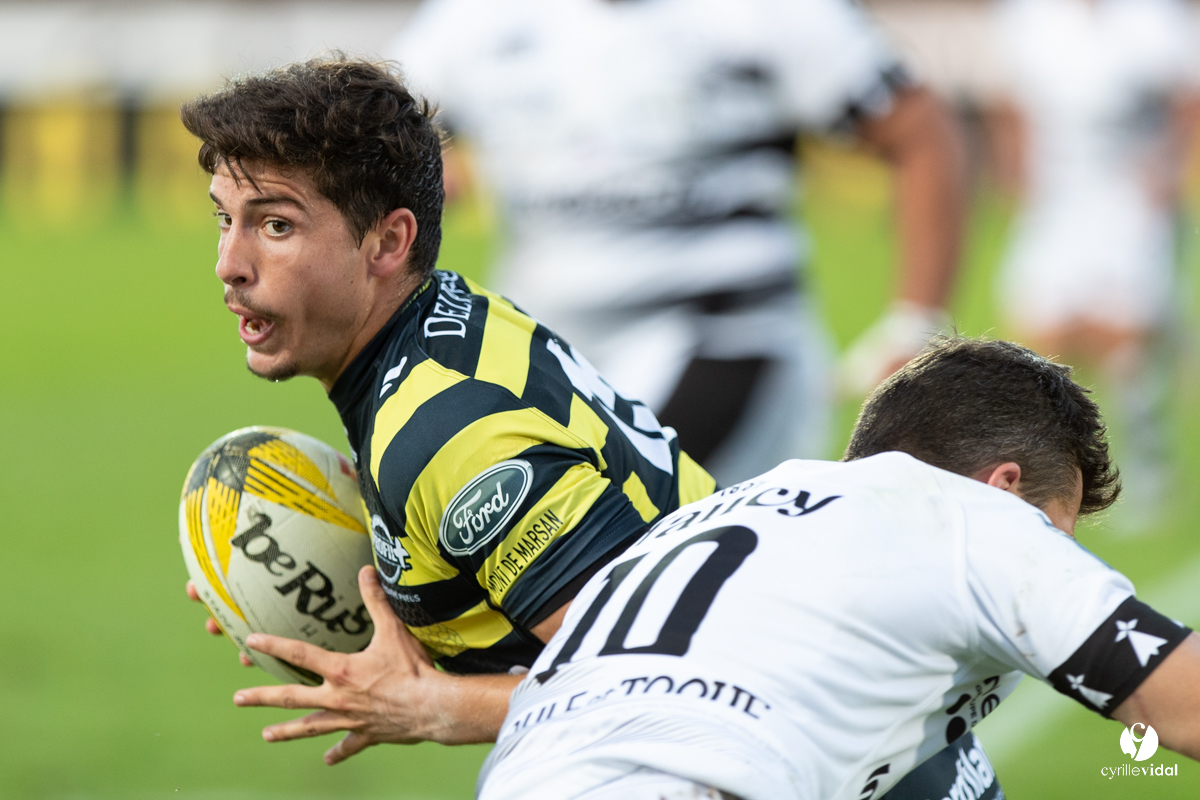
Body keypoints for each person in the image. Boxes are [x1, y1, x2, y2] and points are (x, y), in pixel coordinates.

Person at [179, 57, 716, 761]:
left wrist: (429, 706)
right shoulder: (447, 319)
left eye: (275, 225)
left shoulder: (444, 438)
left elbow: (676, 677)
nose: (229, 262)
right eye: (226, 219)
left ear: (389, 242)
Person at [475, 337, 1200, 800]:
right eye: (1059, 531)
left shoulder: (729, 517)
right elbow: (1186, 704)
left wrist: (436, 705)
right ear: (1003, 486)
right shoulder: (971, 517)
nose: (1056, 555)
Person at [390, 0, 966, 487]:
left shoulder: (772, 14)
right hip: (537, 350)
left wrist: (913, 322)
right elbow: (377, 146)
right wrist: (416, 179)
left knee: (595, 541)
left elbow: (921, 131)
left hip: (723, 339)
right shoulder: (471, 19)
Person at [988, 0, 1200, 526]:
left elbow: (1188, 99)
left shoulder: (1154, 20)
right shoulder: (1029, 19)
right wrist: (1015, 169)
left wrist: (1170, 169)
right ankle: (1048, 476)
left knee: (1122, 333)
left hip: (1127, 195)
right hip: (1056, 197)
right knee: (1039, 336)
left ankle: (1143, 477)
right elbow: (1006, 99)